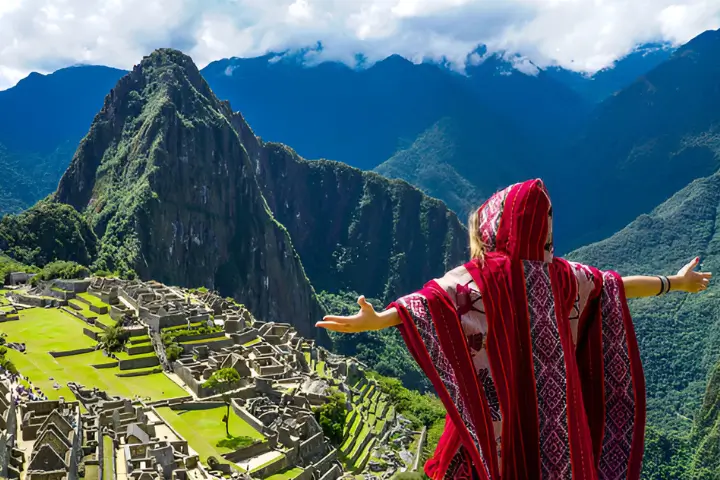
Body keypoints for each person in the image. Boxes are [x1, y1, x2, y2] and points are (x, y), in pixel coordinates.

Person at [316, 179, 711, 480]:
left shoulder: (483, 275)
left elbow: (433, 300)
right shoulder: (564, 276)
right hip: (558, 421)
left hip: (497, 415)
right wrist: (675, 282)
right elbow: (616, 285)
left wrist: (378, 319)